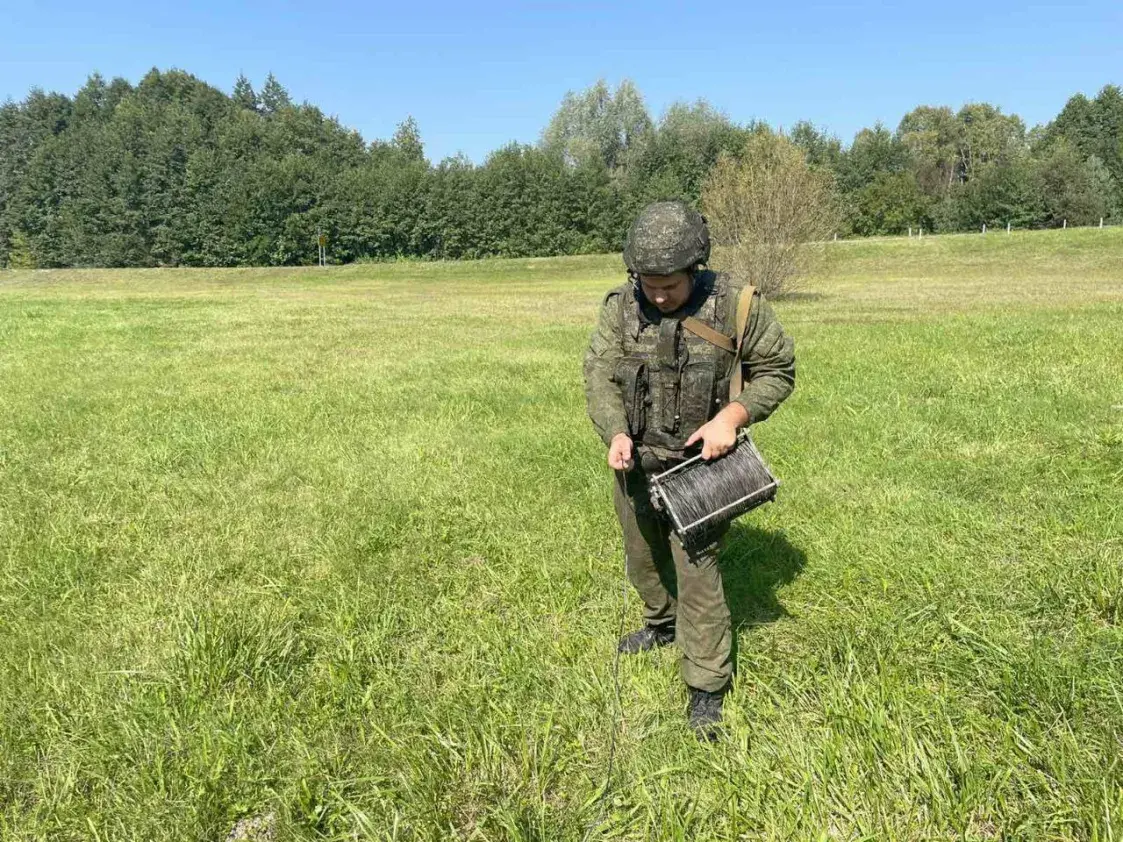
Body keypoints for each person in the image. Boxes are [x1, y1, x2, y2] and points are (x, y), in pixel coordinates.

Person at [582, 200, 796, 740]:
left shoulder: (736, 305)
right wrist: (614, 433)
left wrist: (732, 416)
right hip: (634, 462)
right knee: (643, 559)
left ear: (695, 268)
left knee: (697, 574)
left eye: (670, 285)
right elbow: (599, 376)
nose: (658, 295)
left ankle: (706, 686)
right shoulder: (620, 308)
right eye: (648, 283)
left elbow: (777, 370)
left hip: (701, 467)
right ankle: (660, 625)